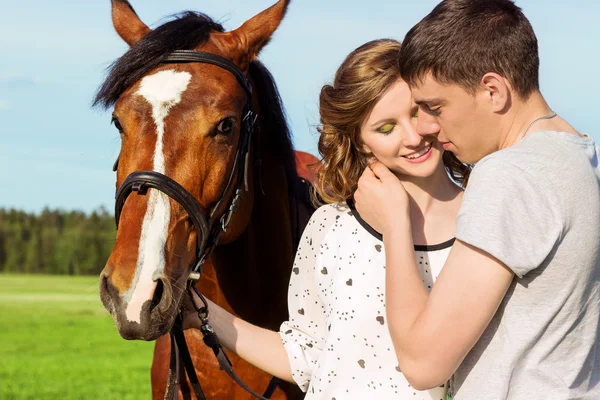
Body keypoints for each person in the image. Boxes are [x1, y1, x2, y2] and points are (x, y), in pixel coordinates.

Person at [184, 38, 469, 399]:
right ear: (361, 142)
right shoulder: (330, 226)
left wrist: (398, 224)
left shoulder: (481, 224)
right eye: (386, 128)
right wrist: (202, 312)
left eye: (418, 112)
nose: (413, 137)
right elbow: (307, 357)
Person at [354, 1, 600, 399]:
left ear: (492, 90)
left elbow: (423, 364)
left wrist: (395, 224)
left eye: (435, 107)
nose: (427, 128)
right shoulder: (586, 160)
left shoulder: (512, 174)